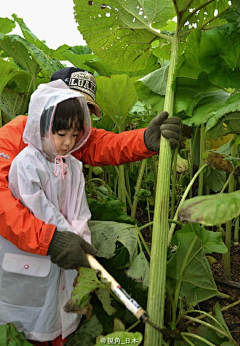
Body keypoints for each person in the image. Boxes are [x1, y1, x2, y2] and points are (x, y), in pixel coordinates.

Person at [0, 67, 181, 345]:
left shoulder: (67, 145)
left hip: (54, 254)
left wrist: (145, 139)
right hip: (20, 252)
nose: (75, 133)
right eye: (74, 107)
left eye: (83, 114)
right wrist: (50, 239)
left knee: (54, 320)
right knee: (20, 327)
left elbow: (103, 144)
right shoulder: (15, 139)